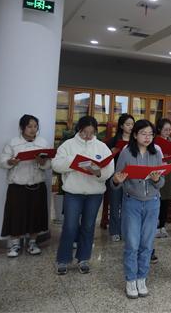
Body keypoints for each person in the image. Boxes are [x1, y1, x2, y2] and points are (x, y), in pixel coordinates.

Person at [52, 116, 115, 275]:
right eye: (84, 132)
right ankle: (63, 260)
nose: (87, 136)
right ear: (78, 130)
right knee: (70, 226)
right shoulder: (68, 145)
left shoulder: (101, 147)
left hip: (94, 194)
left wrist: (98, 172)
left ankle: (83, 259)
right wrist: (74, 162)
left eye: (91, 133)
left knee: (88, 226)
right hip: (73, 193)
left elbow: (109, 169)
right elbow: (56, 164)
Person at [112, 119, 165, 298]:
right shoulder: (126, 153)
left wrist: (157, 179)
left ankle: (142, 278)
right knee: (132, 243)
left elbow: (161, 182)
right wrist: (116, 180)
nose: (147, 137)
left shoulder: (156, 153)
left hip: (152, 203)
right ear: (135, 135)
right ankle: (130, 279)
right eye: (143, 133)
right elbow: (116, 180)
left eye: (150, 134)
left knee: (147, 244)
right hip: (132, 202)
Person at [0, 114, 51, 258]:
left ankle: (32, 243)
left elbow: (49, 164)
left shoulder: (43, 142)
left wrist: (42, 162)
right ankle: (15, 244)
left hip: (37, 185)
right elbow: (1, 161)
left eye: (35, 126)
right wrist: (10, 162)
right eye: (29, 126)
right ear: (22, 127)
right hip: (17, 186)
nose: (33, 129)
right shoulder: (13, 142)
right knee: (16, 216)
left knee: (35, 215)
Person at [106, 113, 135, 242]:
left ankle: (124, 229)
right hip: (116, 176)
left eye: (132, 124)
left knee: (127, 205)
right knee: (115, 204)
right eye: (128, 124)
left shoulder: (136, 141)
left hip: (131, 176)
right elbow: (104, 159)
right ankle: (114, 230)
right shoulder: (113, 141)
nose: (131, 127)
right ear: (122, 126)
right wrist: (111, 153)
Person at [155, 118, 171, 239]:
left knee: (165, 201)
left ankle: (162, 225)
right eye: (165, 130)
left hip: (169, 173)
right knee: (156, 200)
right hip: (157, 173)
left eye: (170, 130)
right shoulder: (154, 141)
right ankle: (155, 225)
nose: (168, 132)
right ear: (159, 129)